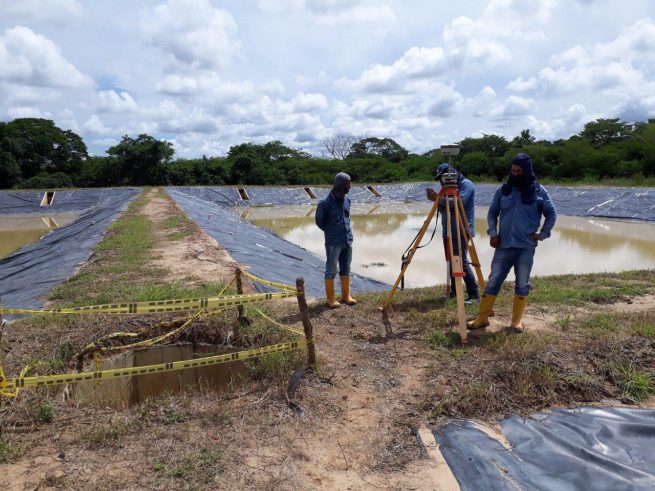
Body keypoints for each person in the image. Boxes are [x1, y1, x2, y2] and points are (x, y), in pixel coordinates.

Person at [467, 153, 557, 331]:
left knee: (522, 283)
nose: (514, 174)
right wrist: (493, 232)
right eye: (512, 170)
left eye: (518, 171)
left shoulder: (539, 192)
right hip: (503, 246)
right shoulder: (503, 190)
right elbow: (492, 212)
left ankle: (516, 322)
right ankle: (482, 318)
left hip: (526, 247)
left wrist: (543, 234)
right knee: (493, 281)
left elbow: (552, 213)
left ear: (527, 171)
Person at [426, 163, 479, 304]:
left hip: (462, 230)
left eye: (441, 177)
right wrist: (438, 199)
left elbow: (456, 202)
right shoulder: (446, 189)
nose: (441, 181)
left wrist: (437, 198)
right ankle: (455, 292)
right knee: (450, 260)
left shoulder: (467, 185)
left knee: (461, 262)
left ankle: (474, 294)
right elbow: (444, 207)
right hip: (448, 230)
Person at [315, 172, 357, 308]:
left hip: (347, 240)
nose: (349, 187)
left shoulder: (347, 200)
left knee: (346, 268)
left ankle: (346, 296)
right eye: (347, 184)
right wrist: (332, 231)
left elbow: (347, 217)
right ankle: (331, 299)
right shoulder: (324, 203)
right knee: (331, 269)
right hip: (333, 242)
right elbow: (320, 222)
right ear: (340, 185)